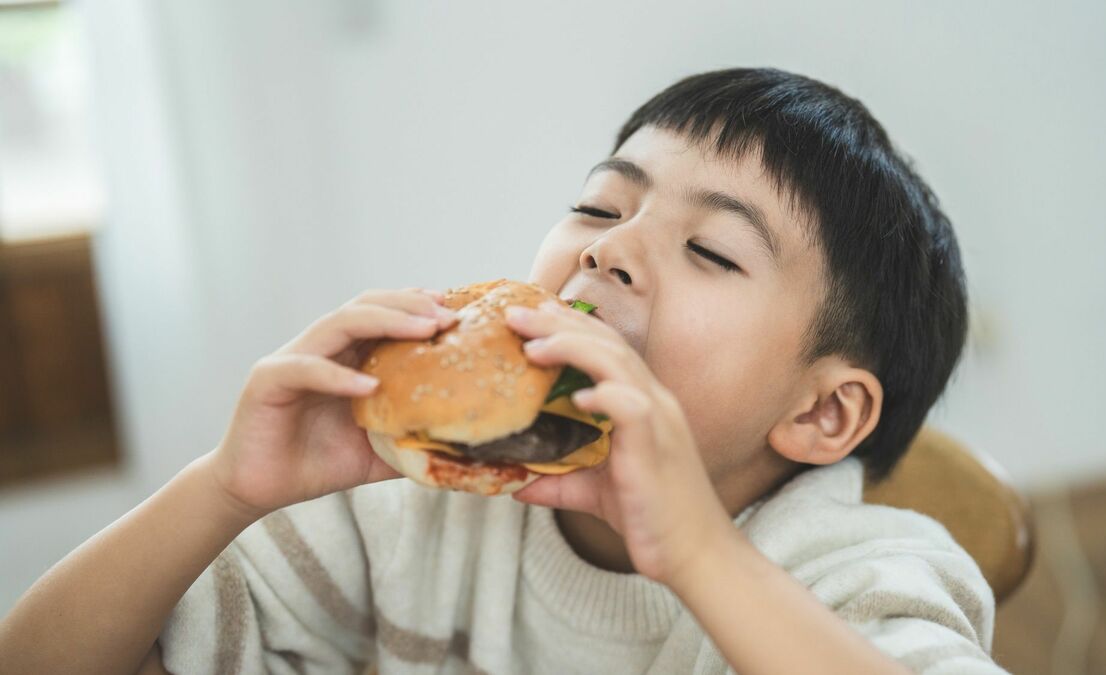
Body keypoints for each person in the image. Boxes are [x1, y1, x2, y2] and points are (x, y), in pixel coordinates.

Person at [0, 67, 1008, 674]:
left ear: (825, 413)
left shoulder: (864, 571)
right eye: (602, 206)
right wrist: (224, 490)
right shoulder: (418, 509)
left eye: (713, 252)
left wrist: (698, 551)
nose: (607, 251)